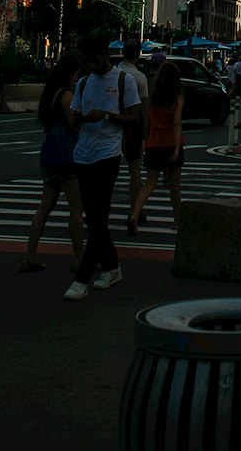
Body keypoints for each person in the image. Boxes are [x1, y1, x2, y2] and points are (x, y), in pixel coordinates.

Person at [64, 33, 140, 300]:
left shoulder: (123, 80)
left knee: (99, 216)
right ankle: (112, 266)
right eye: (87, 61)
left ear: (106, 55)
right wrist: (78, 118)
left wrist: (106, 115)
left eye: (95, 60)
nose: (91, 65)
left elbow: (135, 116)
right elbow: (73, 119)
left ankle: (82, 278)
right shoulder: (84, 83)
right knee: (94, 218)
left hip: (108, 153)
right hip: (83, 152)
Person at [19, 53, 83, 273]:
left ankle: (30, 255)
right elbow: (74, 125)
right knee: (76, 208)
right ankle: (79, 257)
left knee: (44, 206)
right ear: (70, 74)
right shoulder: (66, 96)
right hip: (66, 156)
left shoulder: (50, 94)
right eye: (76, 74)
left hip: (49, 156)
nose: (76, 78)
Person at [127, 60, 184, 233]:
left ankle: (134, 215)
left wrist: (145, 140)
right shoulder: (177, 97)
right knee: (174, 186)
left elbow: (148, 122)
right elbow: (176, 122)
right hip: (170, 140)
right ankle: (177, 220)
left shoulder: (153, 97)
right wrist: (176, 147)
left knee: (149, 183)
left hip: (154, 141)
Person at [114, 37, 149, 221]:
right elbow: (144, 108)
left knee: (106, 173)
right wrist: (146, 132)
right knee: (135, 173)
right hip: (132, 129)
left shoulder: (113, 73)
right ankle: (134, 211)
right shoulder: (139, 78)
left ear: (122, 53)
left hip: (111, 127)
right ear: (138, 54)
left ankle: (96, 210)